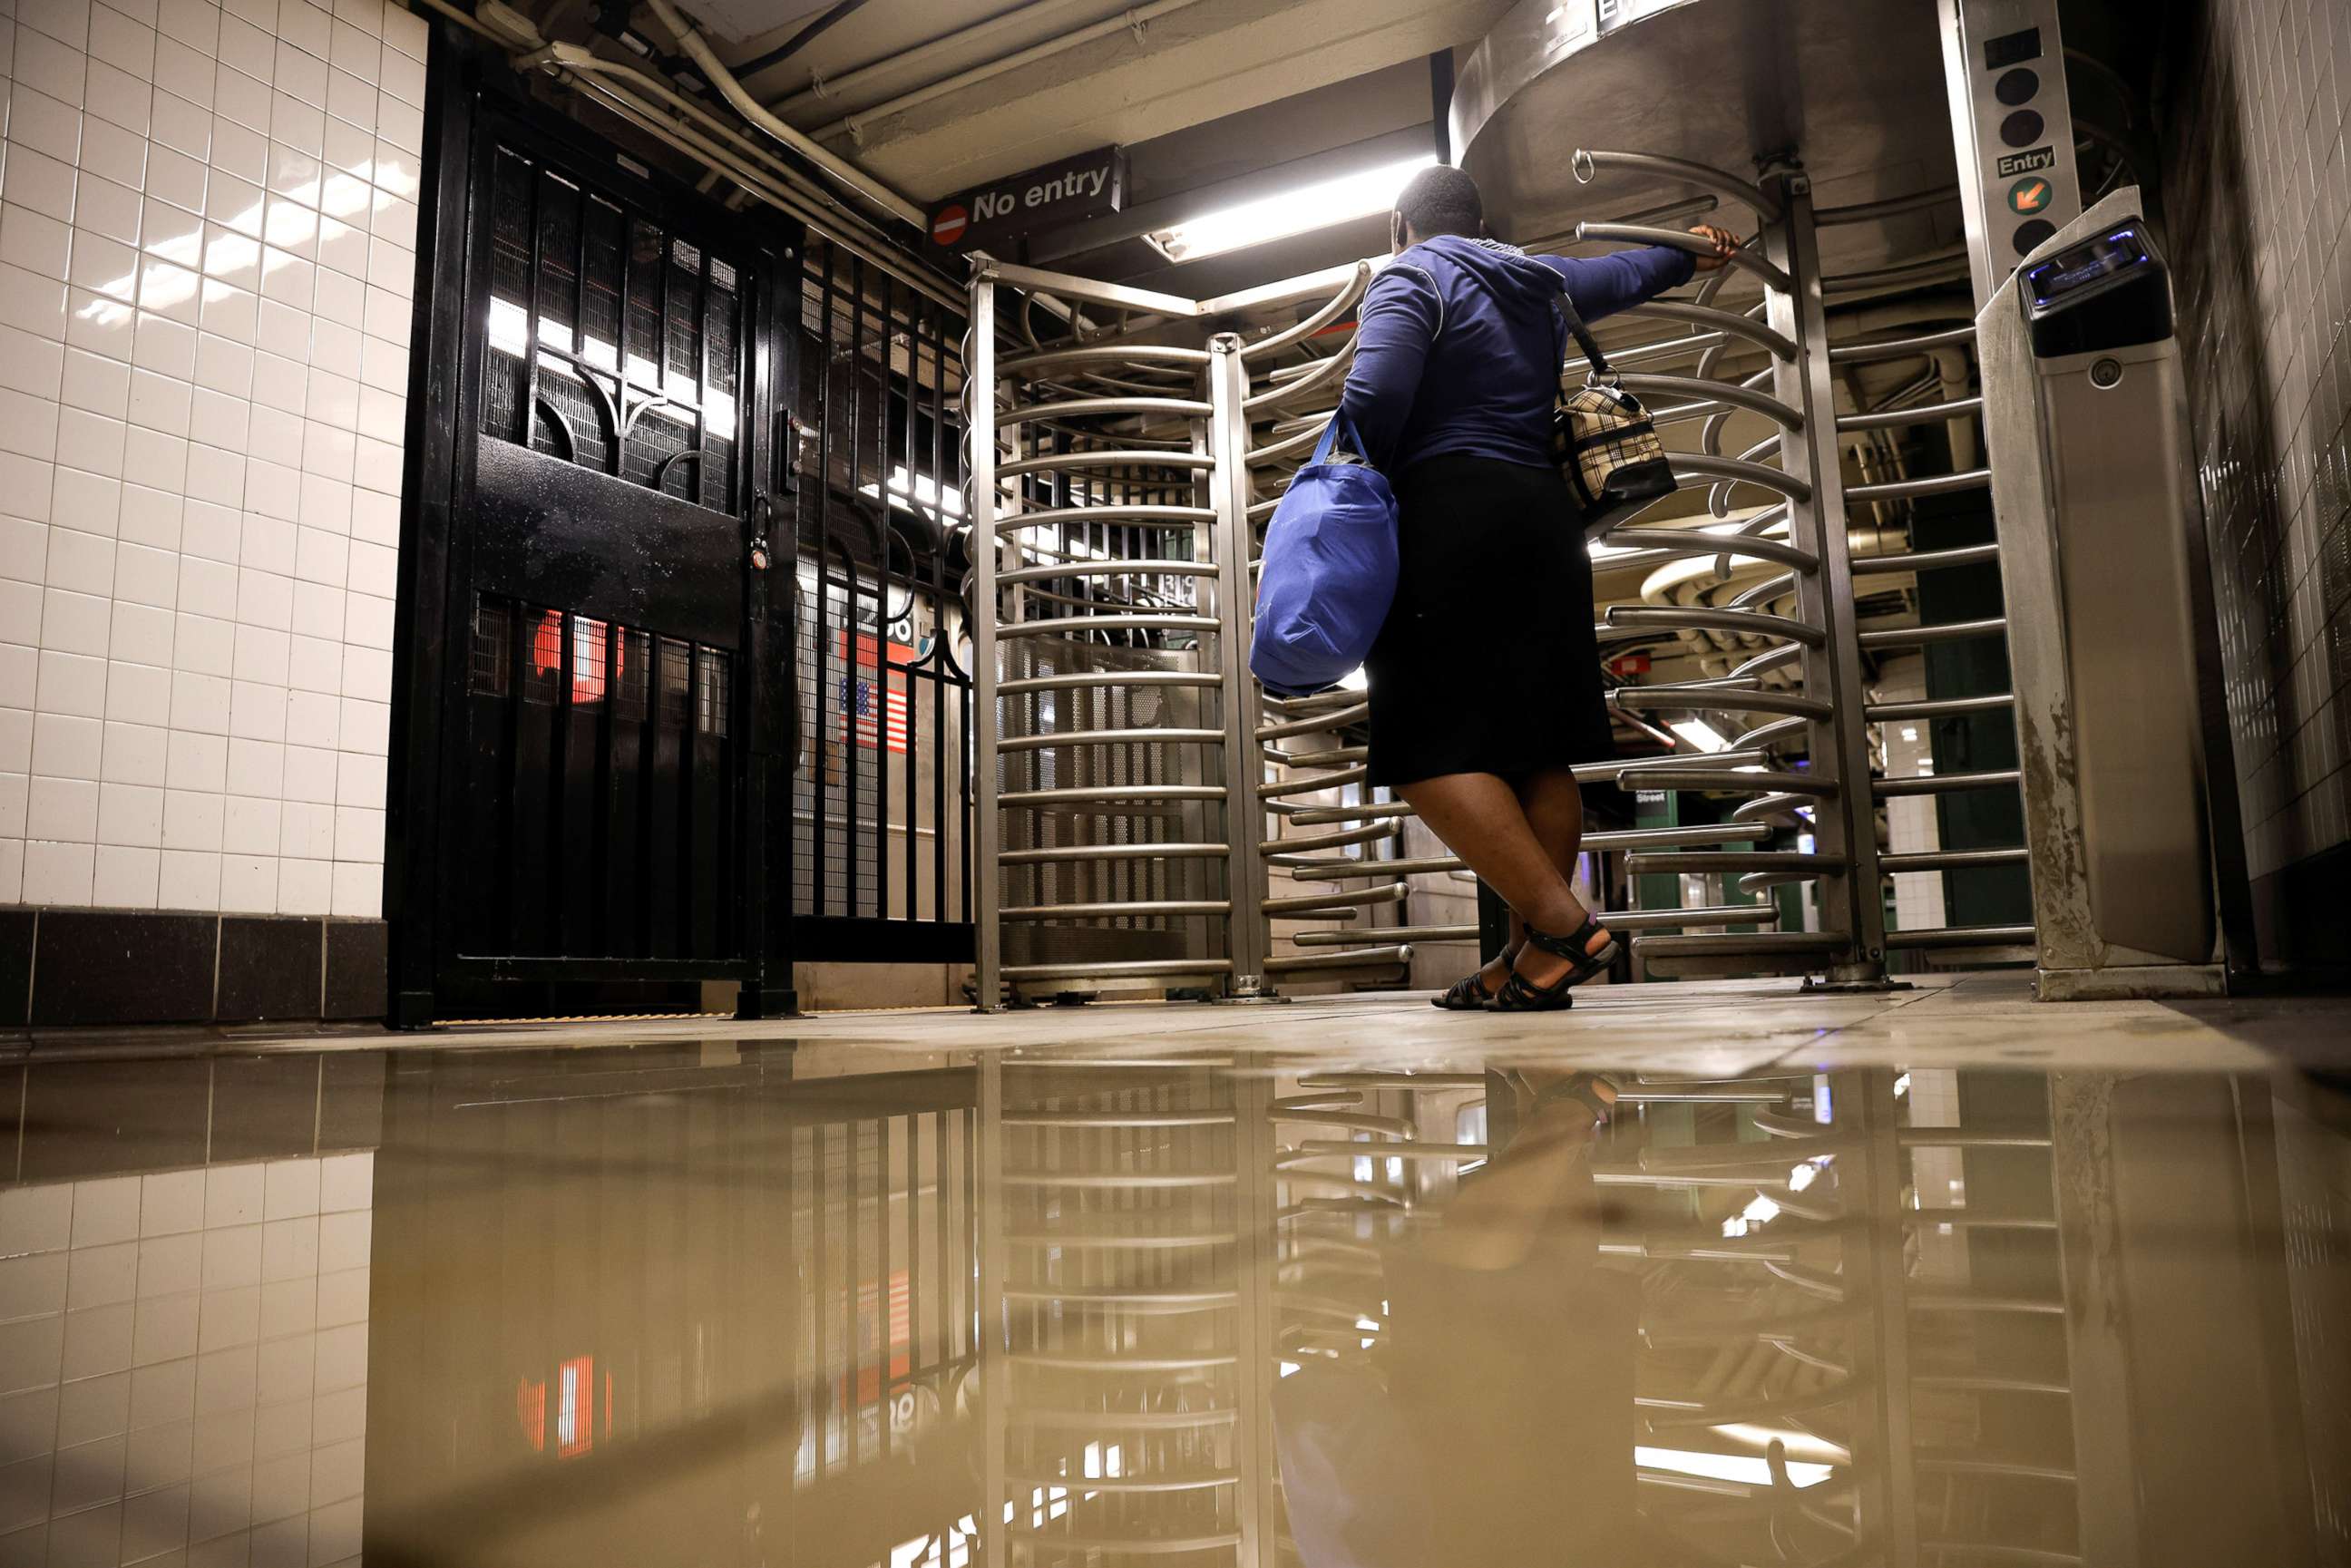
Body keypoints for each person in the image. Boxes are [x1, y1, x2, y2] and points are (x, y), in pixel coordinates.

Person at [1336, 164, 1740, 1011]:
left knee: (1419, 743)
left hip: (1446, 517)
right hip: (1544, 523)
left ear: (1396, 224)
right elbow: (1627, 272)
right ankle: (1527, 962)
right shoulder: (1533, 273)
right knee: (1534, 746)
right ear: (1478, 220)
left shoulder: (1407, 275)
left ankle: (1564, 927)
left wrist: (1344, 474)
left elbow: (1374, 394)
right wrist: (1693, 255)